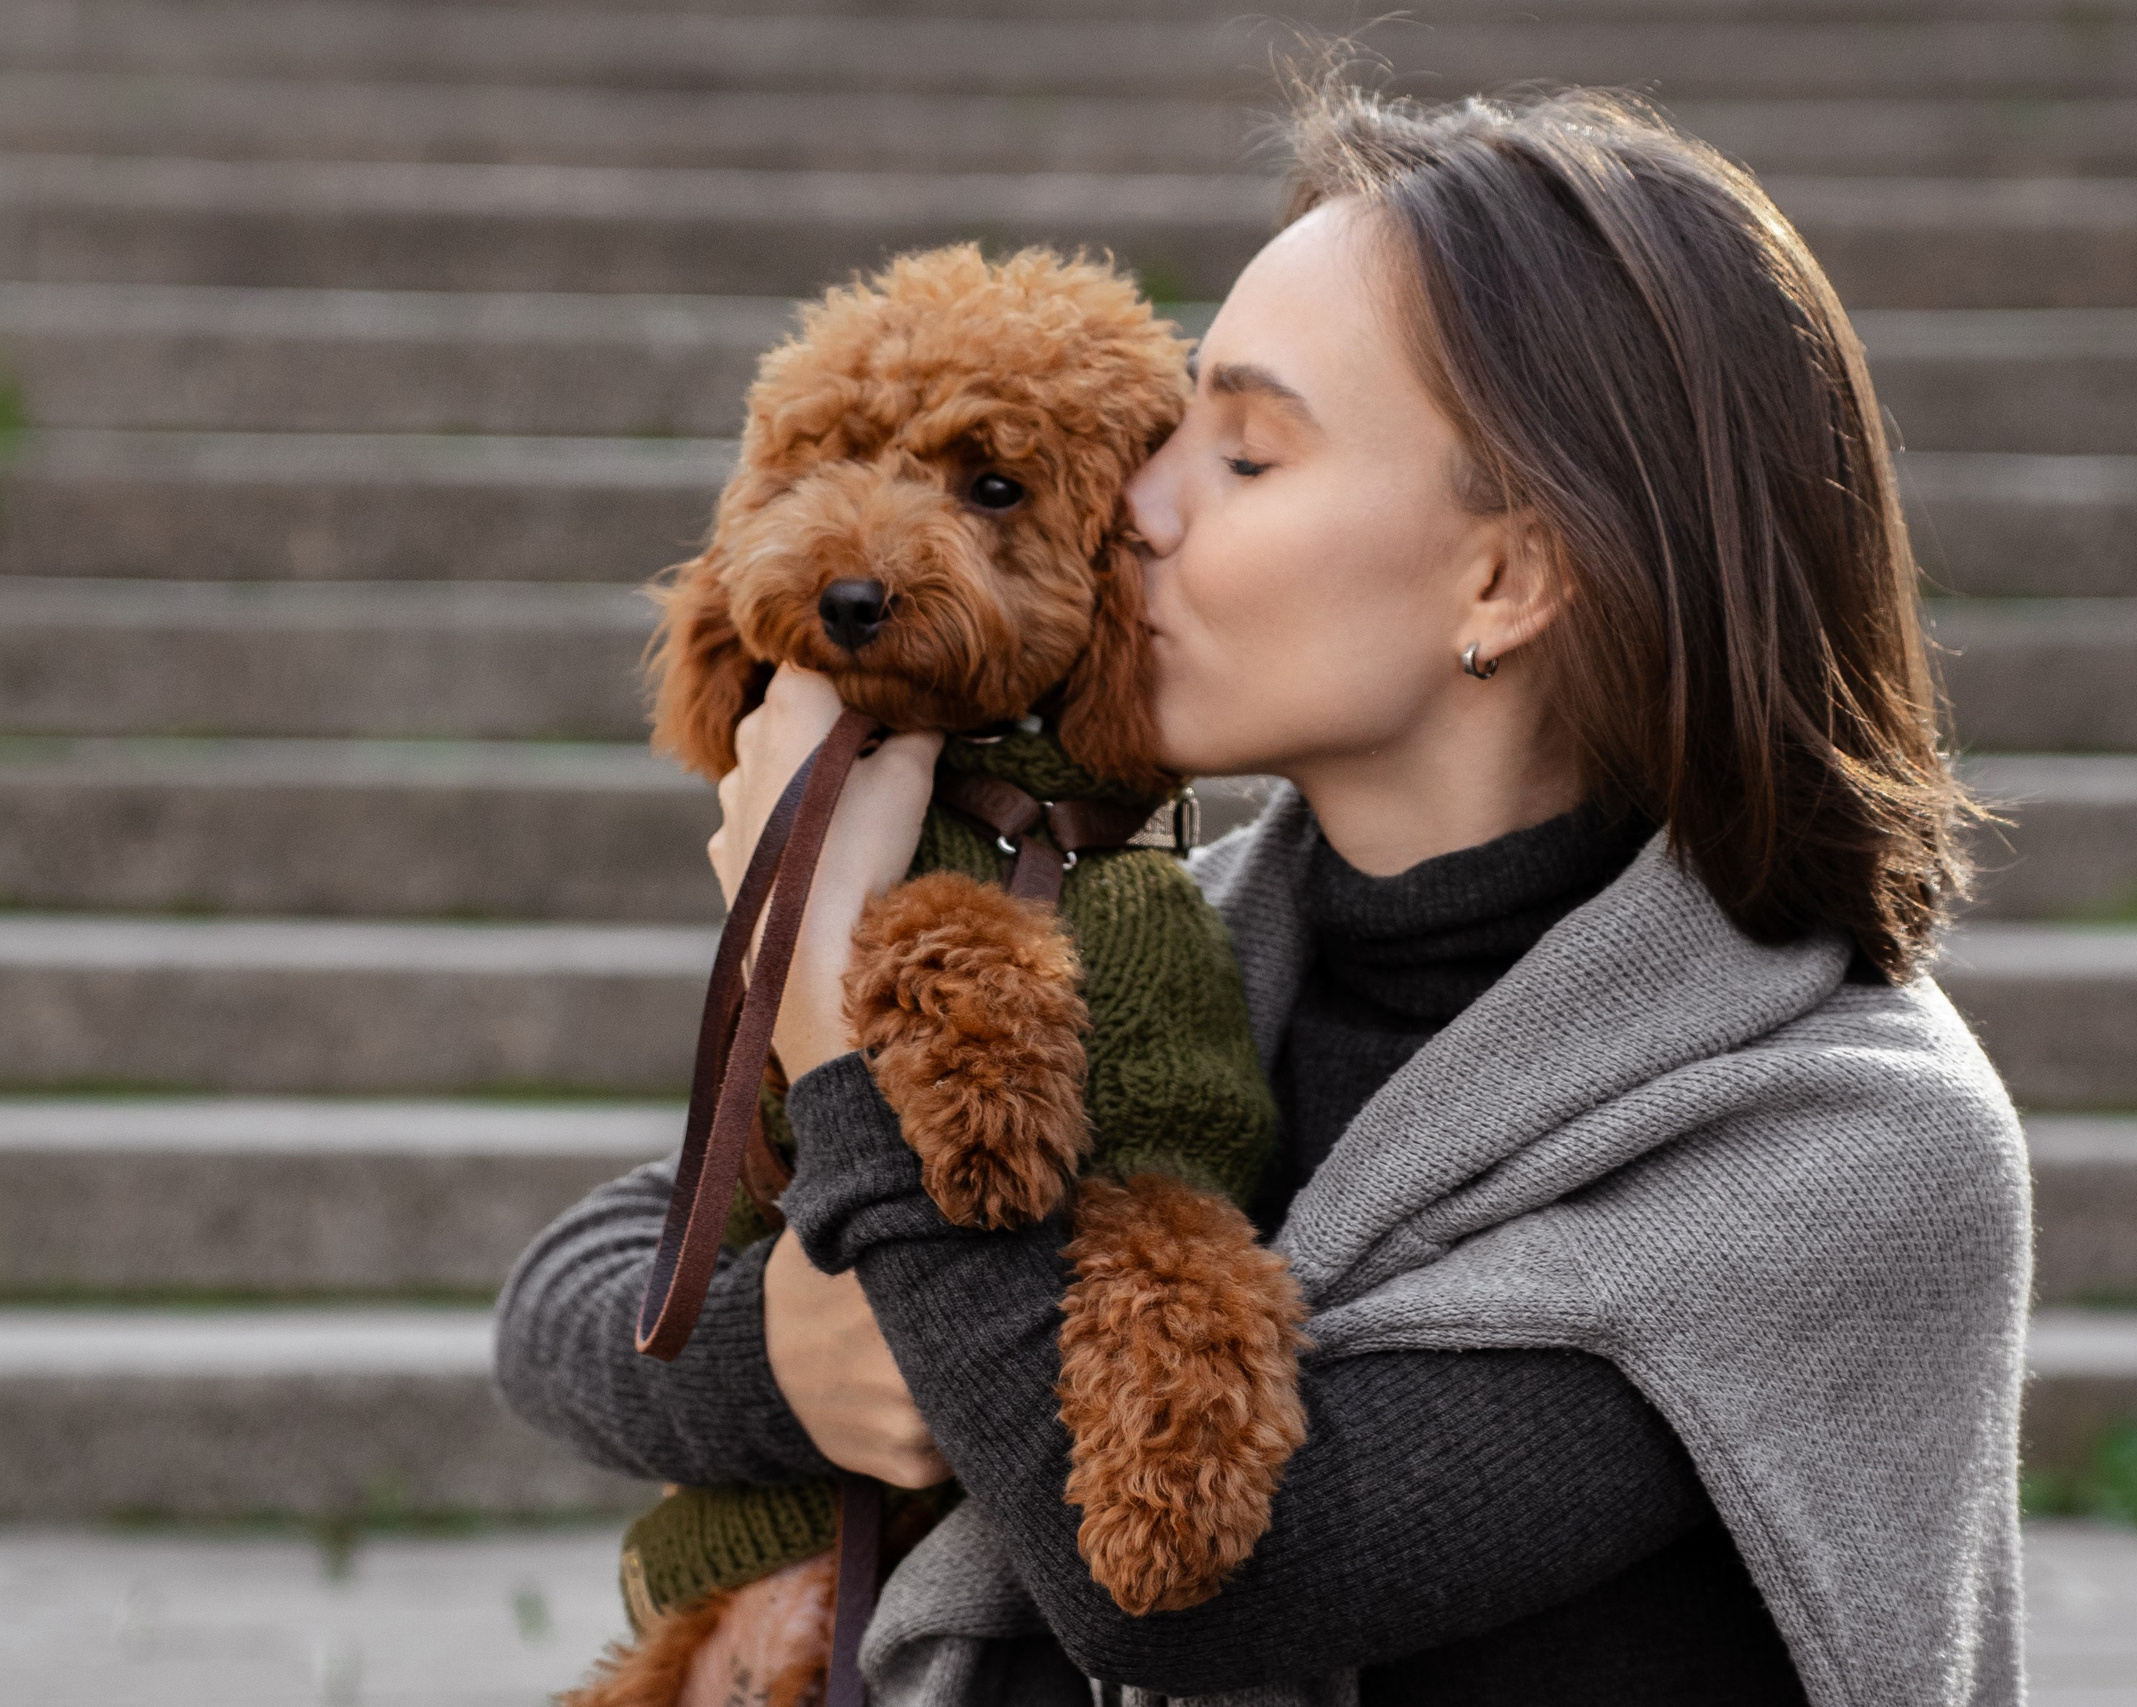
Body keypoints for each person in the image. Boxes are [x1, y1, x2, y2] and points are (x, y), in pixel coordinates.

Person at [498, 84, 2030, 1707]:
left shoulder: (1848, 1154)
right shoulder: (1193, 940)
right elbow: (569, 1302)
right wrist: (793, 1367)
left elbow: (1197, 1592)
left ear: (1507, 579)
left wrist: (835, 1016)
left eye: (1237, 451)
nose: (1132, 513)